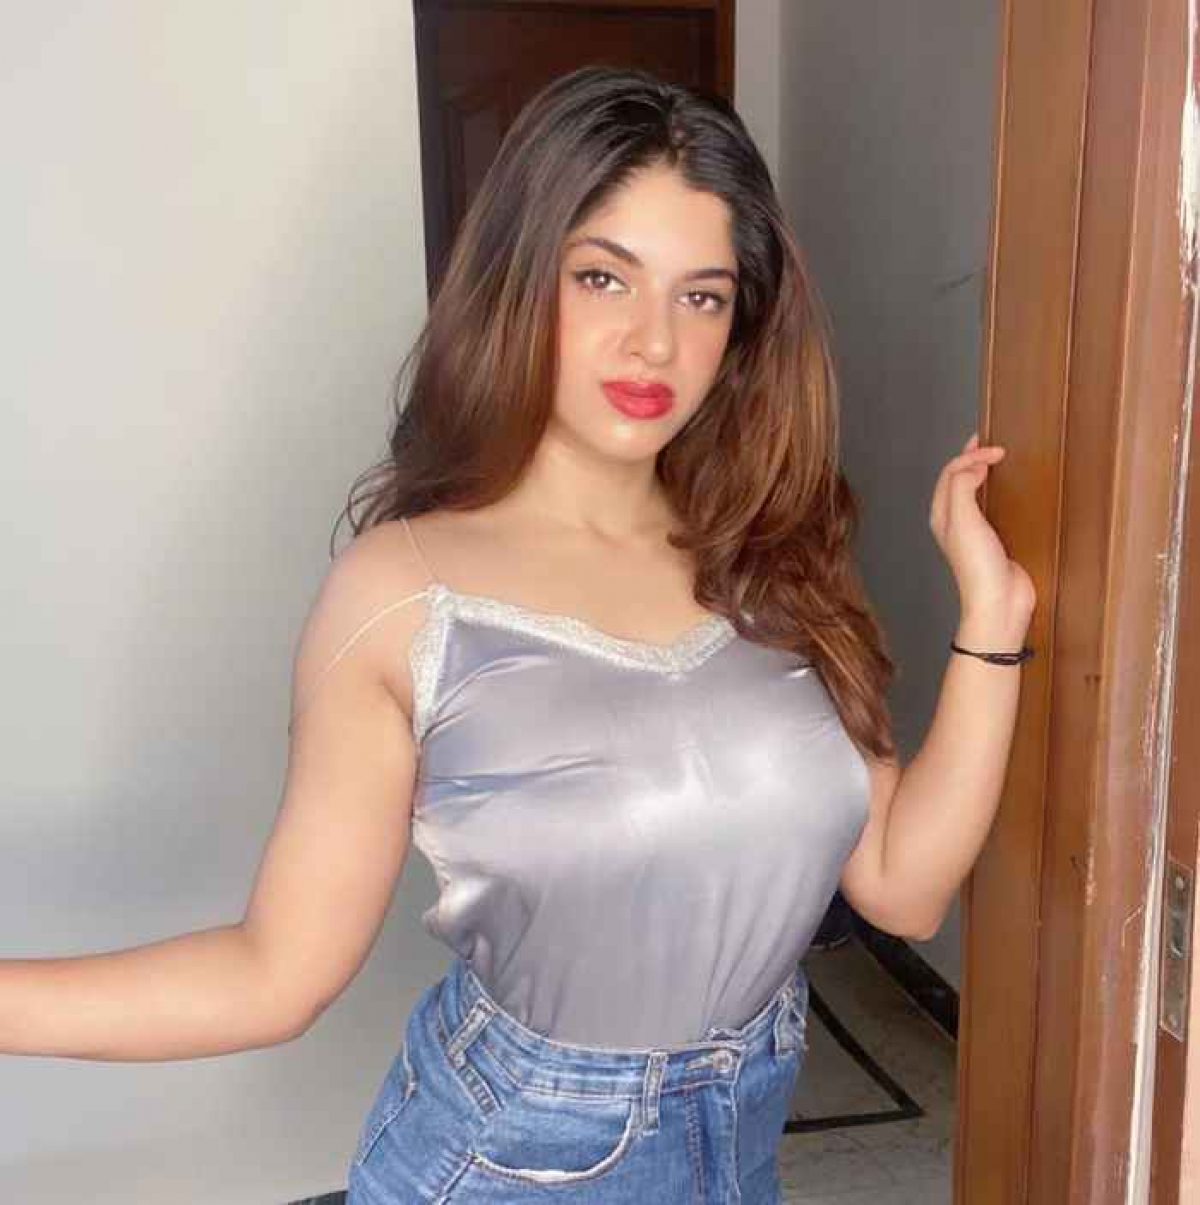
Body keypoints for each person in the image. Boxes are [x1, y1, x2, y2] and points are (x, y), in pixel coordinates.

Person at [2, 65, 1036, 1203]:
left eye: (701, 297)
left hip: (740, 1132)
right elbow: (272, 973)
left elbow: (901, 887)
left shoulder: (773, 559)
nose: (653, 343)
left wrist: (993, 624)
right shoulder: (405, 595)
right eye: (603, 278)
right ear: (520, 282)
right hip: (513, 1155)